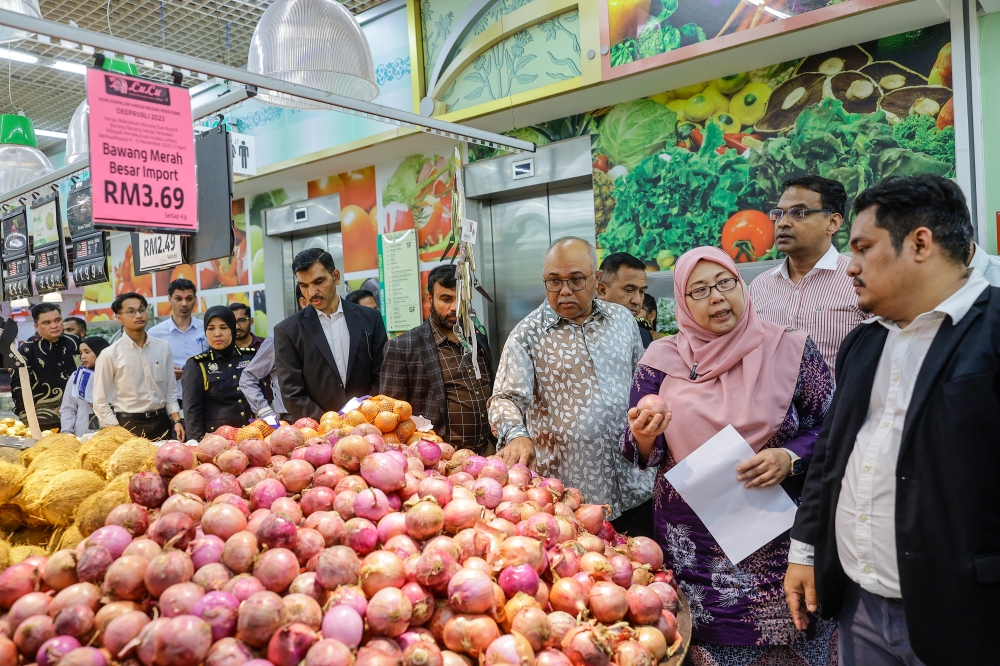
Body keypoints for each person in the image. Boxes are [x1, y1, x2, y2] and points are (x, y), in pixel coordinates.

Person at [785, 175, 1000, 666]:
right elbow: (830, 458)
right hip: (860, 607)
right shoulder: (864, 344)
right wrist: (804, 552)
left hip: (967, 617)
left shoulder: (991, 331)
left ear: (920, 243)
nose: (850, 267)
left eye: (863, 248)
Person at [623, 246, 836, 664]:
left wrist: (789, 457)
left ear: (742, 286)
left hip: (782, 544)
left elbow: (833, 425)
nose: (717, 298)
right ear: (683, 303)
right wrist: (644, 435)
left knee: (791, 641)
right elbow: (638, 452)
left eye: (725, 284)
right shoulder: (660, 362)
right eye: (699, 290)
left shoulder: (789, 349)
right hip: (695, 551)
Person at [489, 237, 655, 524]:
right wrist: (516, 434)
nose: (564, 291)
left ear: (597, 280)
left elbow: (640, 383)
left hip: (636, 484)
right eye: (553, 281)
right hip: (575, 500)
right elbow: (504, 398)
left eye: (576, 280)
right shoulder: (527, 334)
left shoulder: (622, 321)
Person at [749, 176, 867, 371]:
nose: (782, 223)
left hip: (839, 401)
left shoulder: (858, 281)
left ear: (833, 222)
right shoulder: (760, 286)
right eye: (778, 214)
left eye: (798, 213)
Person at [381, 265, 495, 454]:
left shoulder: (478, 336)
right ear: (429, 299)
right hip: (438, 460)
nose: (455, 308)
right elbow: (390, 418)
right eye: (446, 299)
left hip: (487, 451)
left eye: (461, 300)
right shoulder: (404, 347)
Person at [275, 249, 388, 421]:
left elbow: (383, 374)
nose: (311, 293)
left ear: (335, 276)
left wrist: (365, 416)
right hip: (319, 433)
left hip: (369, 423)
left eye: (318, 281)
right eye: (303, 285)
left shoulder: (370, 318)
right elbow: (292, 393)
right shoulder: (288, 331)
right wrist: (330, 425)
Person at [94, 293, 184, 441]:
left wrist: (176, 420)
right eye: (131, 311)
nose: (138, 315)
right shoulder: (110, 354)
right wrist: (116, 430)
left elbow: (170, 391)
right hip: (128, 424)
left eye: (142, 310)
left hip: (162, 421)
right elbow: (100, 401)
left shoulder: (162, 347)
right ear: (119, 317)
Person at [183, 306, 257, 441]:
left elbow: (260, 399)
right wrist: (198, 444)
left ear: (232, 330)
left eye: (223, 327)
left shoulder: (249, 358)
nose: (217, 333)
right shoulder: (198, 364)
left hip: (251, 435)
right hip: (217, 441)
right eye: (211, 328)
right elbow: (192, 411)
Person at [12, 303, 81, 432]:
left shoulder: (75, 342)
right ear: (36, 326)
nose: (54, 326)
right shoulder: (26, 350)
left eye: (57, 320)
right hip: (44, 421)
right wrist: (27, 419)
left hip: (79, 416)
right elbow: (18, 388)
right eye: (46, 323)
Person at [242, 295, 306, 427]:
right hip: (291, 421)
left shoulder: (332, 336)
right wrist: (266, 413)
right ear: (304, 302)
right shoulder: (280, 337)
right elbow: (248, 377)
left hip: (330, 417)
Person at [148, 278, 206, 404]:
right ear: (169, 299)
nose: (184, 303)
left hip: (204, 396)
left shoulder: (206, 329)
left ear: (195, 300)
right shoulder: (155, 333)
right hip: (170, 399)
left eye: (189, 298)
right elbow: (145, 368)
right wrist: (165, 372)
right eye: (178, 299)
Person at [597, 252, 652, 348]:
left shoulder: (645, 336)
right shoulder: (581, 334)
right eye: (629, 290)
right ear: (602, 290)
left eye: (642, 292)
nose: (637, 300)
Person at [60, 336, 111, 436]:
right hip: (82, 435)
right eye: (81, 353)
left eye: (87, 352)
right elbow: (68, 408)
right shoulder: (77, 376)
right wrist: (67, 433)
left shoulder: (116, 376)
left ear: (100, 351)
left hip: (112, 432)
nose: (83, 356)